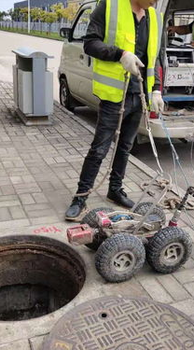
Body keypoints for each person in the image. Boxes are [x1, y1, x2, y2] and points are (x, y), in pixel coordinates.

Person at [65, 0, 164, 221]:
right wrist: (120, 54)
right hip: (114, 95)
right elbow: (90, 43)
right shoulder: (109, 7)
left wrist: (156, 89)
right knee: (99, 149)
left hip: (139, 95)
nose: (155, 1)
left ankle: (115, 190)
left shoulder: (154, 17)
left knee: (125, 147)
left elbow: (155, 58)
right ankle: (80, 197)